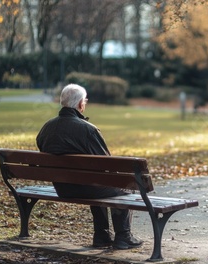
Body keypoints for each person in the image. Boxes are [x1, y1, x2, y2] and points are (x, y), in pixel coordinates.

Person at [36, 83, 143, 250]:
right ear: (80, 104)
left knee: (95, 181)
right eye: (84, 101)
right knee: (125, 186)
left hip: (63, 188)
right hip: (85, 188)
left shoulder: (46, 128)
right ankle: (123, 236)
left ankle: (102, 235)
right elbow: (106, 165)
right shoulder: (88, 130)